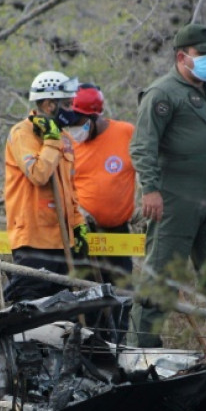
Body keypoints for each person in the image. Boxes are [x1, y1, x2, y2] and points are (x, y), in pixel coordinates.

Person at [128, 24, 206, 347]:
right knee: (160, 279)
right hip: (172, 199)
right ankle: (139, 352)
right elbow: (142, 145)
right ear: (182, 57)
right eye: (203, 54)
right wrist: (150, 189)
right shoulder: (162, 93)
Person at [3, 71, 88, 302]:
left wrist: (78, 225)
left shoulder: (65, 139)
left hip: (62, 241)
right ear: (50, 104)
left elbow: (71, 189)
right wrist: (50, 140)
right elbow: (39, 174)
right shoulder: (23, 133)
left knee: (62, 311)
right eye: (68, 104)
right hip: (33, 239)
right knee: (31, 309)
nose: (72, 109)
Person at [63, 84, 136, 281]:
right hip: (84, 232)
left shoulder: (126, 133)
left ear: (94, 116)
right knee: (90, 295)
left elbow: (149, 168)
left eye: (79, 123)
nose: (75, 129)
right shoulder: (68, 143)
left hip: (118, 232)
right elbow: (63, 186)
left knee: (122, 292)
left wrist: (143, 204)